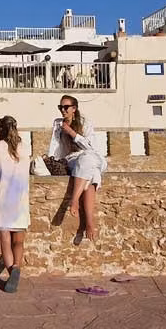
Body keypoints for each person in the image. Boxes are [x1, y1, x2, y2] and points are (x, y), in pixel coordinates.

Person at [48, 95, 107, 240]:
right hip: (73, 159)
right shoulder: (58, 124)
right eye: (60, 107)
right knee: (92, 174)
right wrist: (51, 160)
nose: (63, 110)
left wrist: (72, 133)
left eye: (66, 107)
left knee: (88, 158)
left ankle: (74, 200)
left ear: (74, 109)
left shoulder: (85, 122)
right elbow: (54, 145)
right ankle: (89, 222)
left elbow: (90, 147)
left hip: (94, 157)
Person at [0, 115, 30, 293]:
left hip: (2, 200)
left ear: (0, 130)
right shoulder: (25, 147)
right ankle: (17, 267)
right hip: (20, 201)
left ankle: (12, 271)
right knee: (18, 241)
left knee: (5, 240)